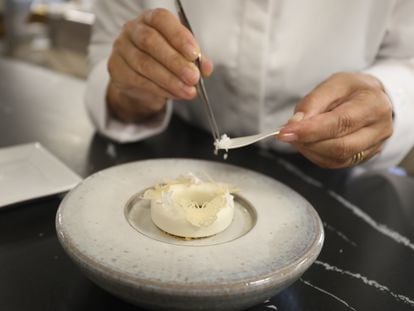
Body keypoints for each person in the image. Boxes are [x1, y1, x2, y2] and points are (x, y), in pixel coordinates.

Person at [85, 0, 414, 170]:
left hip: (339, 182)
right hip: (173, 150)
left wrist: (386, 94)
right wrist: (132, 91)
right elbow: (109, 49)